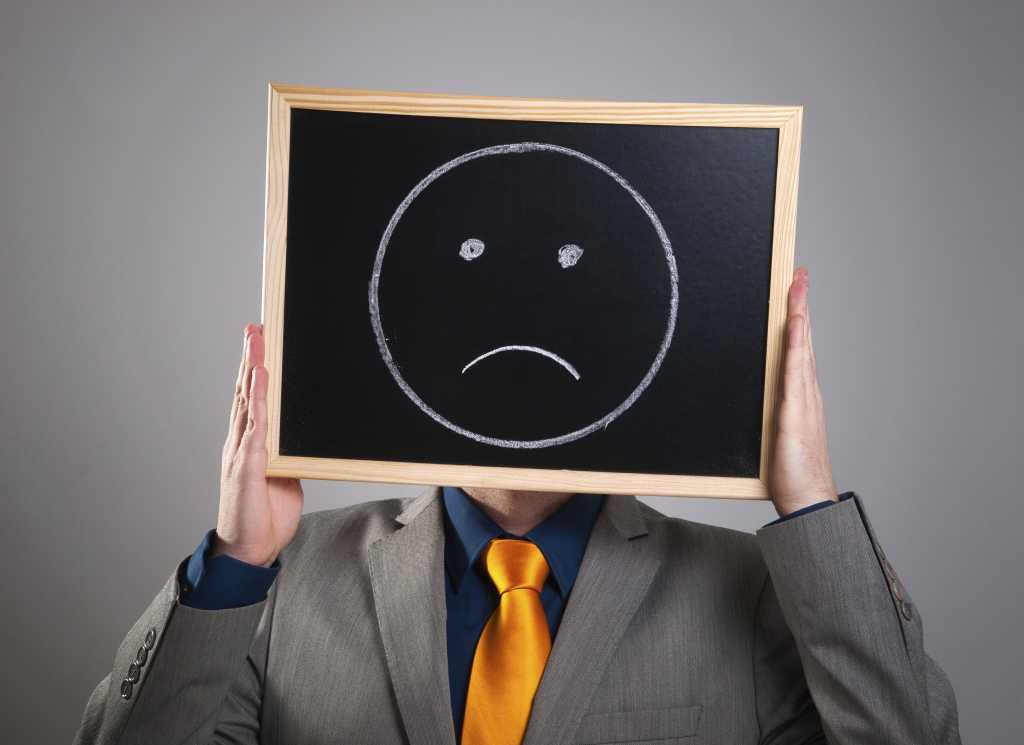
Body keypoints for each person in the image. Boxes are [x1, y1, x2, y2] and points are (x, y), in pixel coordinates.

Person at [73, 267, 961, 744]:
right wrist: (237, 562)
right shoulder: (282, 583)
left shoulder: (753, 593)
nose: (518, 331)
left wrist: (811, 510)